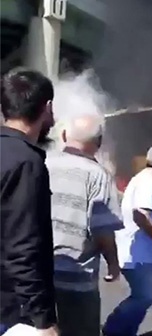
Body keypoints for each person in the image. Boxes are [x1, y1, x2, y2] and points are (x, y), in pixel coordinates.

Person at [46, 114, 123, 336]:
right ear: (99, 143)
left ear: (62, 135)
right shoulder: (99, 176)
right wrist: (113, 263)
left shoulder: (42, 163)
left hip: (37, 274)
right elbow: (102, 231)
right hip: (77, 281)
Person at [102, 144, 152, 336]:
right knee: (144, 297)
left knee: (143, 297)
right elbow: (140, 215)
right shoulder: (149, 183)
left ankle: (123, 332)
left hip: (139, 251)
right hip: (138, 254)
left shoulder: (144, 179)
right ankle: (112, 329)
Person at [0, 68, 59, 336]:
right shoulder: (26, 162)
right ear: (47, 108)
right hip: (10, 310)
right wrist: (43, 321)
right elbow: (22, 250)